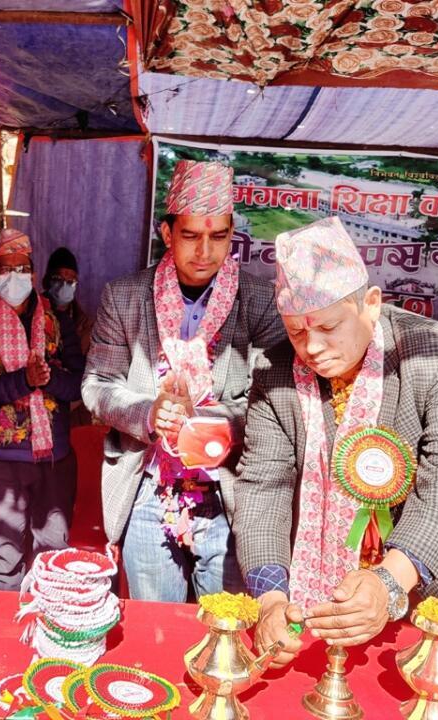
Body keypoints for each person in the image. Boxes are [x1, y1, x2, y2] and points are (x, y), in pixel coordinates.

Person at [233, 217, 438, 697]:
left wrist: (388, 582)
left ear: (370, 303)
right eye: (297, 332)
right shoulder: (275, 370)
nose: (313, 348)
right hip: (325, 606)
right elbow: (263, 485)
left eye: (329, 326)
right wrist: (270, 599)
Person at [81, 159, 285, 602]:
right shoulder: (125, 296)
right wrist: (149, 413)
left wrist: (206, 421)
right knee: (155, 627)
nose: (205, 251)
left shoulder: (259, 300)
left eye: (219, 236)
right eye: (191, 236)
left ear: (232, 234)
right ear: (167, 233)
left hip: (228, 492)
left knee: (226, 627)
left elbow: (273, 401)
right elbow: (97, 385)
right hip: (148, 488)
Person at [0, 228, 83, 590]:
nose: (14, 276)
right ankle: (5, 624)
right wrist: (24, 380)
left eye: (23, 268)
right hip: (2, 461)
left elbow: (80, 382)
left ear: (33, 274)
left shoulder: (57, 320)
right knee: (6, 555)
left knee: (54, 554)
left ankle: (48, 621)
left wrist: (47, 378)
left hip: (54, 459)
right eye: (5, 268)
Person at [42, 247, 92, 355]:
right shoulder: (33, 313)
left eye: (70, 281)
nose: (64, 285)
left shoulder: (84, 323)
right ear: (46, 281)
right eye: (58, 278)